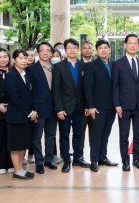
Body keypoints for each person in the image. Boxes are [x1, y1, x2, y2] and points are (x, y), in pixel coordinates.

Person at [52, 38, 90, 173]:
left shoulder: (83, 65)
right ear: (65, 50)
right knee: (64, 135)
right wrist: (59, 108)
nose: (72, 50)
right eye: (69, 48)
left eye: (74, 47)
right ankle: (66, 160)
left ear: (77, 49)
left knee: (79, 134)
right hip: (64, 108)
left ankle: (78, 158)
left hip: (80, 107)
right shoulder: (58, 67)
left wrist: (87, 105)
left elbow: (86, 88)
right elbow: (56, 90)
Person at [112, 34, 139, 171]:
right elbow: (114, 86)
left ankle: (137, 159)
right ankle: (125, 161)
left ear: (138, 46)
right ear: (125, 45)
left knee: (138, 134)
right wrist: (117, 104)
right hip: (124, 107)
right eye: (130, 43)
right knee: (124, 135)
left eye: (135, 43)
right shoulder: (118, 64)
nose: (133, 46)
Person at [84, 39, 118, 172]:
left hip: (111, 107)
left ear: (109, 50)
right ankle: (94, 160)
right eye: (100, 48)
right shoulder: (91, 66)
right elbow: (88, 88)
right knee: (96, 134)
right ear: (97, 51)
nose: (103, 50)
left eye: (105, 47)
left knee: (106, 133)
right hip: (97, 107)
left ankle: (103, 157)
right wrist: (91, 106)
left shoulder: (114, 65)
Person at [5, 50, 37, 180]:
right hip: (16, 116)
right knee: (15, 145)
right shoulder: (11, 75)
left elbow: (31, 94)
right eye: (20, 58)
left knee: (23, 144)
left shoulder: (26, 74)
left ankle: (21, 169)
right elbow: (15, 98)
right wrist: (29, 112)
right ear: (14, 60)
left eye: (25, 58)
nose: (24, 60)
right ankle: (17, 171)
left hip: (27, 116)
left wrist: (34, 110)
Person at [27, 42, 58, 174]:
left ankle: (49, 159)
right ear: (38, 53)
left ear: (51, 53)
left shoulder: (56, 68)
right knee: (37, 137)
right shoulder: (31, 69)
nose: (45, 53)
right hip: (38, 109)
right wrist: (33, 109)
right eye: (42, 50)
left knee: (51, 136)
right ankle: (39, 162)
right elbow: (29, 92)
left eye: (48, 50)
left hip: (53, 108)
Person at [0, 48, 12, 174]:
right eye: (0, 57)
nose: (3, 59)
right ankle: (1, 164)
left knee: (11, 138)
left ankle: (10, 163)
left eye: (5, 56)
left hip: (12, 110)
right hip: (0, 110)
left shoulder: (13, 72)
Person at [80, 41, 94, 151]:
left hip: (95, 106)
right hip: (81, 106)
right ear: (81, 50)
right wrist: (86, 105)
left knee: (94, 132)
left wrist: (91, 105)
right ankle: (79, 156)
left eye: (89, 48)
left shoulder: (97, 64)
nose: (87, 50)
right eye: (84, 48)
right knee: (80, 132)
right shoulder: (77, 65)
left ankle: (95, 157)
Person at [24, 47, 36, 164]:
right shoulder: (19, 70)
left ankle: (31, 154)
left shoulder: (35, 69)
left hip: (34, 105)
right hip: (22, 106)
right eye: (27, 55)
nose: (30, 57)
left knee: (34, 131)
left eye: (32, 55)